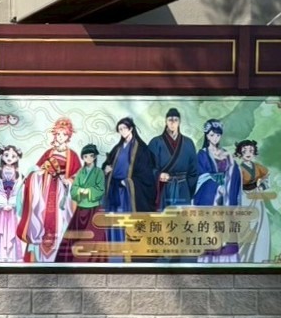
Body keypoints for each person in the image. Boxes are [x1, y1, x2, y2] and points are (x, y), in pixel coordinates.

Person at [17, 116, 81, 262]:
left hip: (62, 194)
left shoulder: (73, 156)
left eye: (64, 134)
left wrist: (69, 181)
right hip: (45, 192)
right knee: (40, 217)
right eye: (58, 134)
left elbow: (78, 177)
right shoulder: (48, 153)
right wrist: (38, 174)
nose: (60, 137)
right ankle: (39, 256)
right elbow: (36, 171)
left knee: (61, 222)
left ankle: (59, 256)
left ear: (68, 136)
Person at [102, 117, 158, 260]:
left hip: (130, 193)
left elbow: (145, 174)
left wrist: (128, 182)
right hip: (116, 190)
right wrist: (107, 168)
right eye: (120, 129)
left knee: (129, 221)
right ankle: (117, 255)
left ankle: (132, 255)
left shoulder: (141, 149)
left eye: (124, 128)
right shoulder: (118, 148)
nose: (122, 131)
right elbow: (107, 164)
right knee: (117, 222)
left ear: (131, 128)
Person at [192, 119, 239, 263]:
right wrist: (216, 187)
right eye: (212, 135)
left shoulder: (225, 153)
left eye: (218, 135)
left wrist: (228, 184)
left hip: (225, 194)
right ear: (207, 136)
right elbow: (200, 175)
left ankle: (224, 256)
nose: (215, 138)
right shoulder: (202, 154)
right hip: (209, 194)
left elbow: (234, 172)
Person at [58, 143, 105, 263]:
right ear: (83, 158)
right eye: (85, 156)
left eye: (91, 156)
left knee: (95, 238)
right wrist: (79, 191)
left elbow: (100, 190)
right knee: (75, 237)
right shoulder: (80, 172)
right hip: (80, 209)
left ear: (95, 157)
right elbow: (74, 190)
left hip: (94, 209)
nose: (88, 158)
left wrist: (87, 191)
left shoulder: (99, 172)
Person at [148, 107, 198, 210]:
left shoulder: (188, 143)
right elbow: (148, 167)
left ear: (179, 122)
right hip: (164, 188)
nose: (172, 123)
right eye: (170, 120)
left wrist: (188, 190)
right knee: (164, 217)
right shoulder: (155, 142)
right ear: (166, 121)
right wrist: (158, 175)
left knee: (183, 217)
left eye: (175, 120)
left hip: (183, 188)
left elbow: (193, 171)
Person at [233, 139, 272, 263]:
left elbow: (267, 175)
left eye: (251, 150)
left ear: (254, 152)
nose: (248, 153)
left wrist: (262, 186)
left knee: (260, 226)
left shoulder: (258, 167)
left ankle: (259, 257)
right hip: (243, 198)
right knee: (246, 227)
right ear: (240, 153)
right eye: (244, 151)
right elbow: (234, 185)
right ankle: (243, 258)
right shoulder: (238, 169)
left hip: (256, 197)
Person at [0, 145, 25, 263]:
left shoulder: (19, 173)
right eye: (6, 155)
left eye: (13, 156)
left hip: (13, 207)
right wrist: (2, 203)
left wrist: (12, 203)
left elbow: (19, 190)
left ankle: (14, 256)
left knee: (14, 229)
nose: (9, 158)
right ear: (2, 156)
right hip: (0, 207)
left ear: (17, 158)